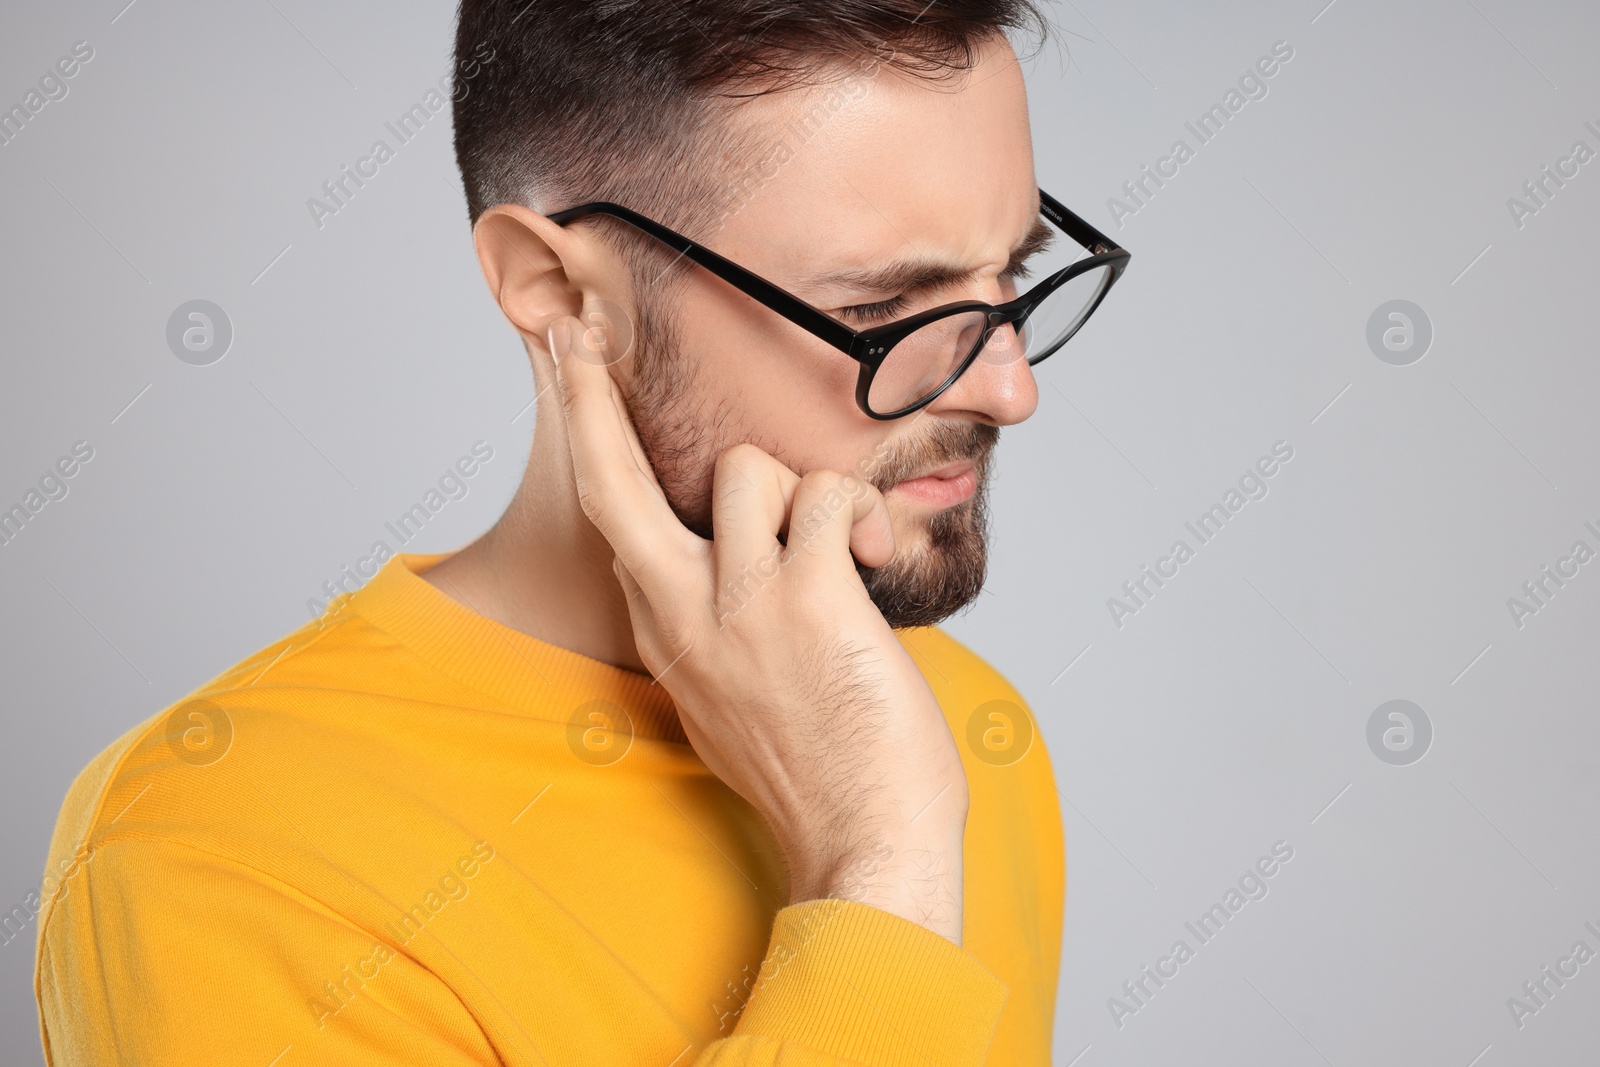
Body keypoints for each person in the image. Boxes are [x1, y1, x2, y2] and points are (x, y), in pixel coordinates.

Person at [36, 2, 1130, 1062]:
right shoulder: (218, 854)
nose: (1009, 387)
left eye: (1016, 274)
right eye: (885, 312)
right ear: (558, 291)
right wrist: (878, 864)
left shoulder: (961, 724)